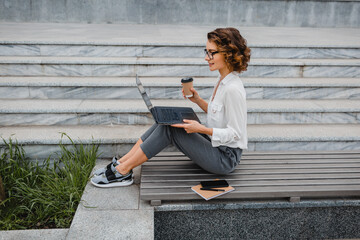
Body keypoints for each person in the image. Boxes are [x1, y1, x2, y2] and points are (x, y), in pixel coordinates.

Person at [91, 27, 251, 188]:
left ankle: (123, 171)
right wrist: (197, 100)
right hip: (217, 147)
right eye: (206, 51)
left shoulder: (232, 89)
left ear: (227, 53)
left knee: (171, 129)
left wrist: (201, 129)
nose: (206, 57)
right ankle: (122, 162)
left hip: (225, 159)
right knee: (166, 120)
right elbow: (220, 114)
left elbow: (236, 134)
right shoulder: (223, 81)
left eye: (211, 52)